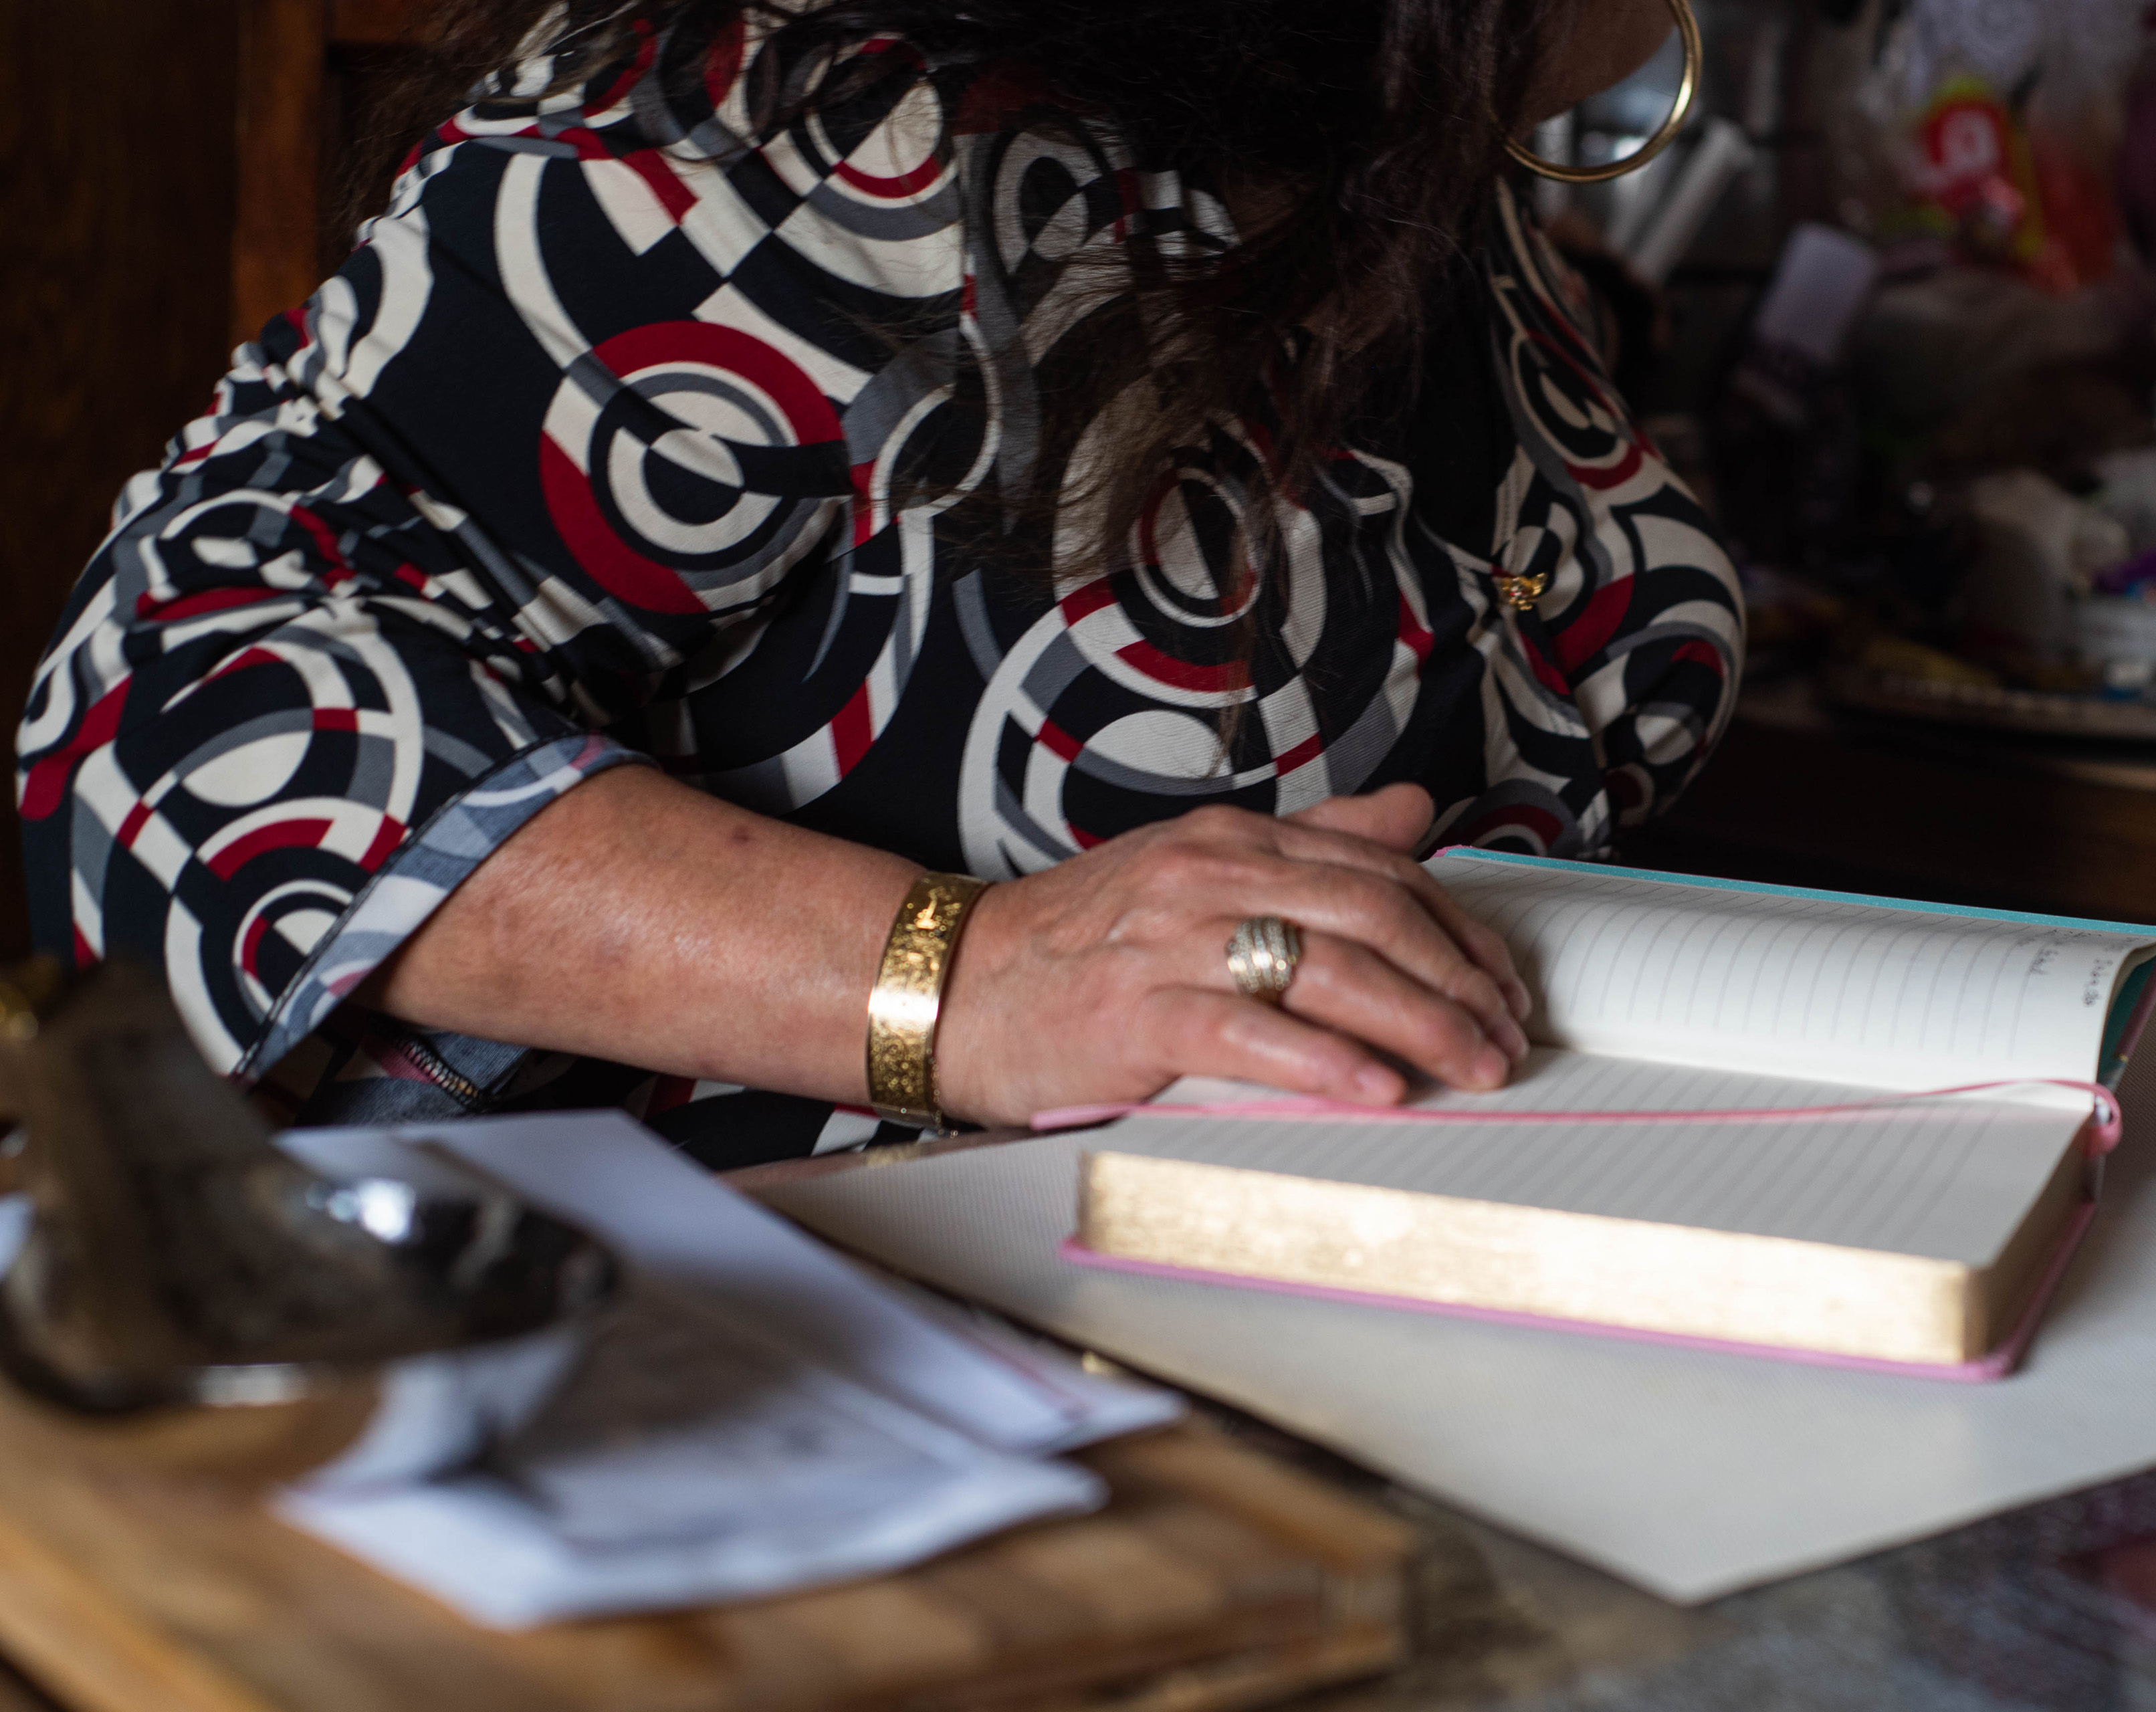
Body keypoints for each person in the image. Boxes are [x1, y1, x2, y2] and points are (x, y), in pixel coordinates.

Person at [15, 0, 1741, 1168]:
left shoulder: (1408, 167)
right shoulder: (809, 119)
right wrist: (966, 978)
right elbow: (174, 702)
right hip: (775, 1386)